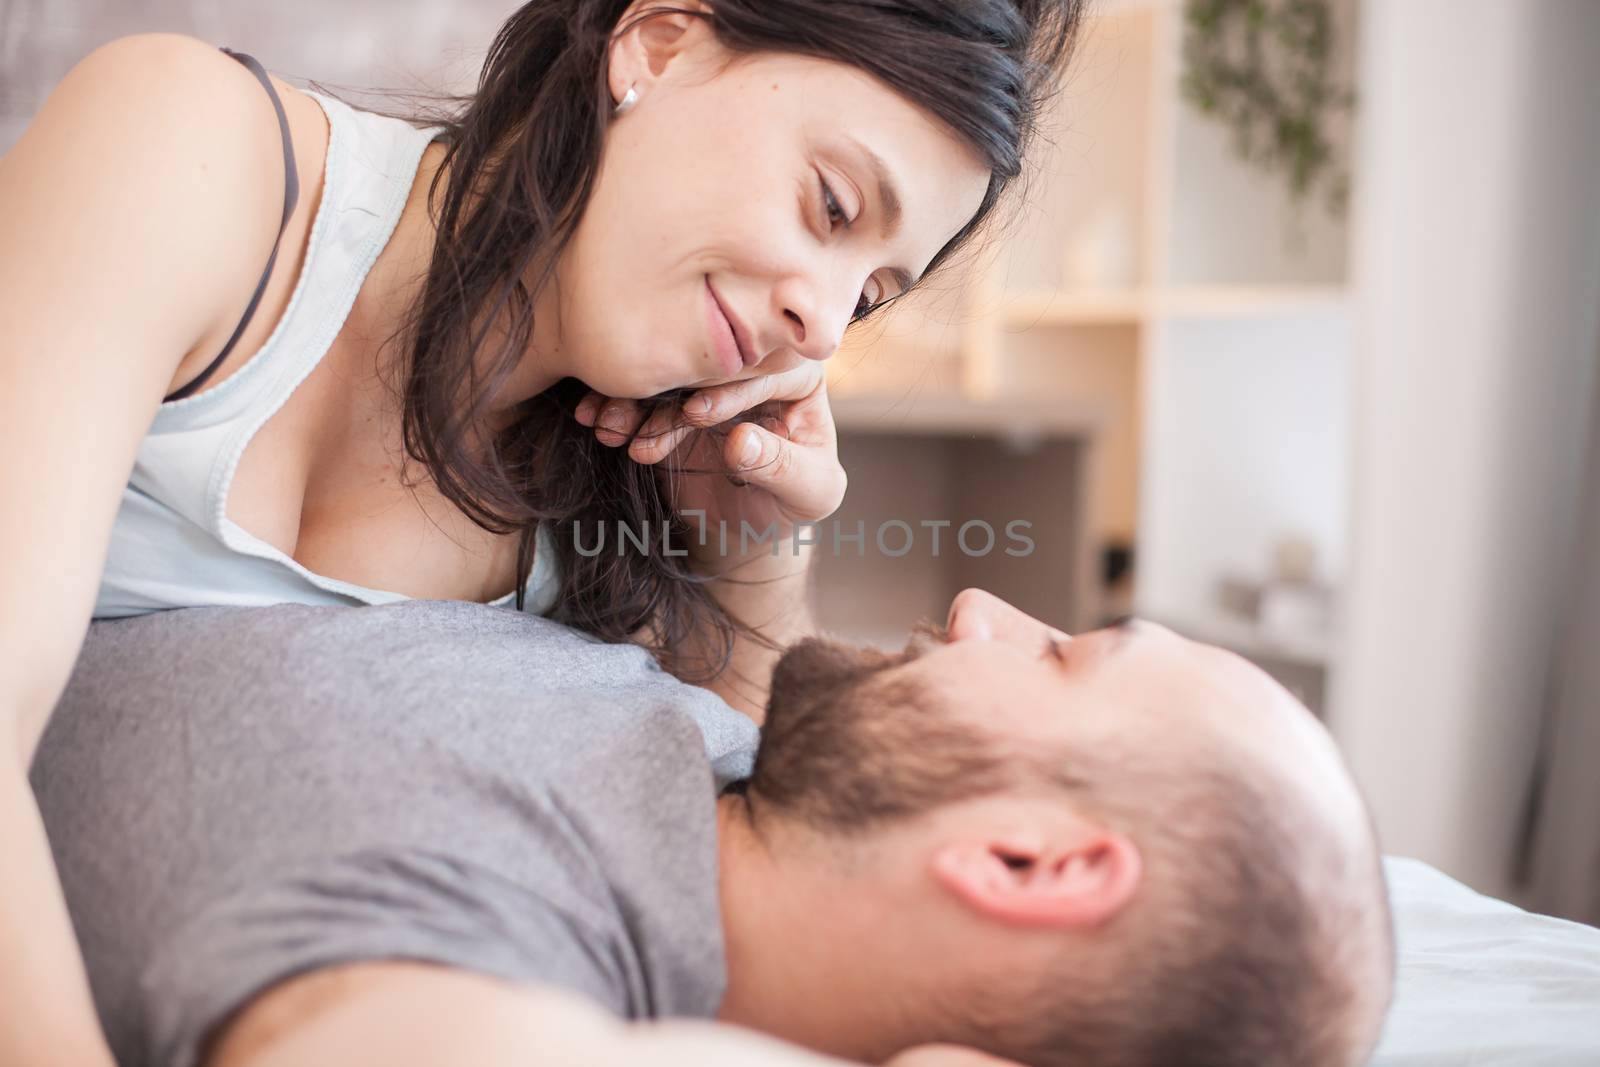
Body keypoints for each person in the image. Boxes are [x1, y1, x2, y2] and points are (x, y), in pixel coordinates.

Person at [0, 3, 1090, 1061]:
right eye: (832, 204)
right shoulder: (194, 153)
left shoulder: (622, 502)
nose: (821, 321)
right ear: (657, 44)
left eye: (868, 297)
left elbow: (722, 882)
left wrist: (749, 554)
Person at [33, 587, 1396, 1067]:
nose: (986, 607)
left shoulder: (503, 944)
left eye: (1060, 654)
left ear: (1029, 858)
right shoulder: (730, 766)